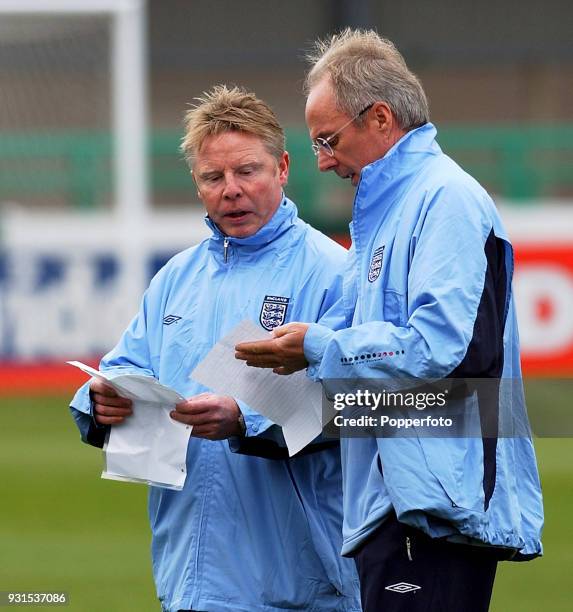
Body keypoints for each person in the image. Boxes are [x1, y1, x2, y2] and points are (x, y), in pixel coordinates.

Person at [235, 29, 544, 612]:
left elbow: (447, 353)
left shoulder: (446, 198)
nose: (323, 161)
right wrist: (244, 415)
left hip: (432, 508)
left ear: (379, 118)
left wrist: (319, 346)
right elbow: (344, 351)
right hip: (392, 505)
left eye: (327, 140)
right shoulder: (386, 212)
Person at [69, 85, 360, 612]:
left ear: (284, 167)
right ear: (197, 184)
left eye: (247, 171)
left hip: (301, 585)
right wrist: (99, 403)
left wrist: (246, 418)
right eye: (213, 177)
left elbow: (362, 408)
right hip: (188, 579)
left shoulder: (335, 273)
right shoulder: (176, 277)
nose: (231, 190)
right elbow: (124, 368)